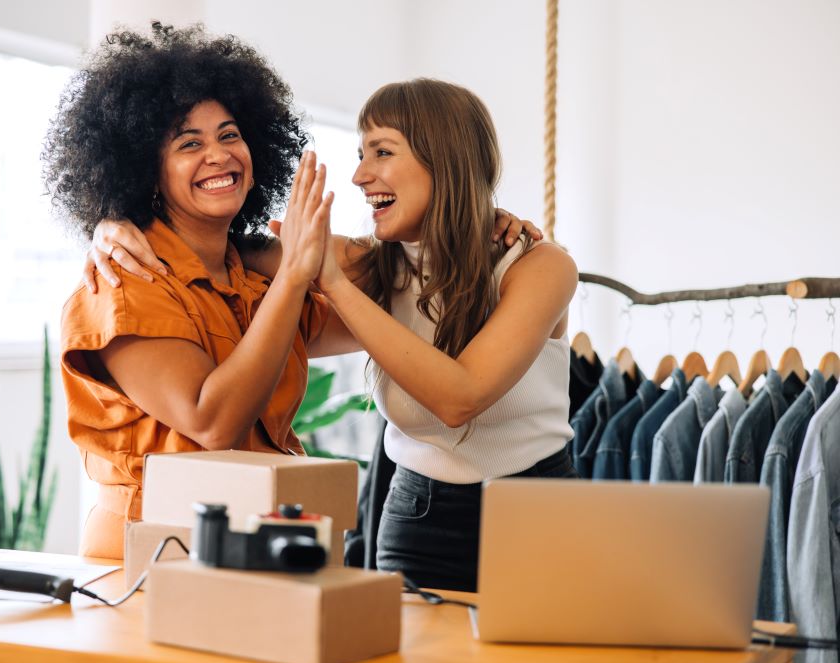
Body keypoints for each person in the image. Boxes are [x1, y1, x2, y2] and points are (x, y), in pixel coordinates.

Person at [92, 78, 578, 591]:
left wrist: (332, 281)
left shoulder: (539, 266)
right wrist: (113, 222)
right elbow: (206, 238)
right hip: (417, 515)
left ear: (447, 160)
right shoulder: (369, 263)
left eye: (381, 152)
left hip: (534, 509)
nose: (359, 176)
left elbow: (460, 398)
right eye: (360, 154)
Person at [42, 23, 345, 559]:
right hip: (147, 557)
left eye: (230, 134)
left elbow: (390, 280)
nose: (218, 154)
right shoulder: (121, 283)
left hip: (250, 547)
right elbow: (212, 421)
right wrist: (295, 272)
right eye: (189, 143)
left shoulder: (251, 278)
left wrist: (487, 225)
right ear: (145, 173)